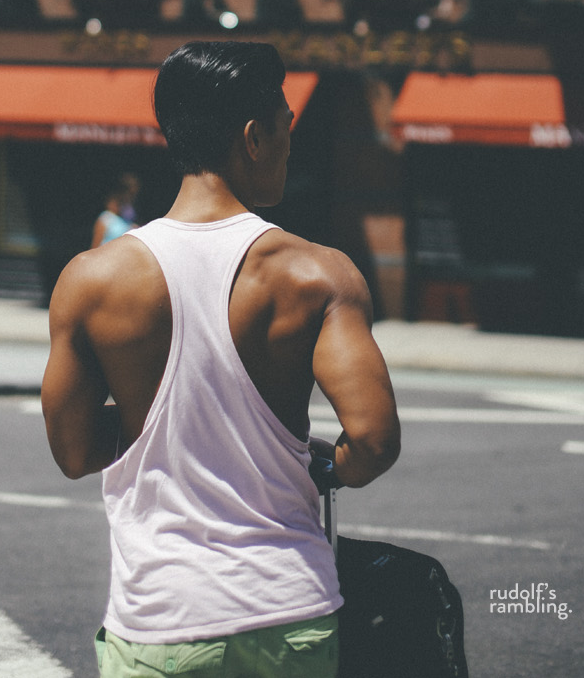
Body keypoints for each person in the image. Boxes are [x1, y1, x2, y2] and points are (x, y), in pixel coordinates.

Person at [42, 41, 400, 678]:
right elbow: (373, 441)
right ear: (254, 138)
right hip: (290, 614)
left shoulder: (91, 279)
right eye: (287, 127)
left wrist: (158, 420)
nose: (291, 145)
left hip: (162, 623)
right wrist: (327, 466)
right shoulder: (319, 273)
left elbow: (74, 452)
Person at [91, 173, 140, 250]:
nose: (130, 199)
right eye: (129, 195)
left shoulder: (128, 221)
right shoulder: (105, 219)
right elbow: (94, 248)